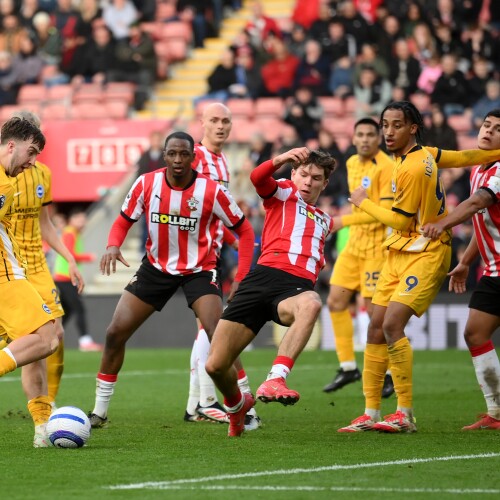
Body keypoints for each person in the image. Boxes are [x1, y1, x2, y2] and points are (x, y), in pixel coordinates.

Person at [338, 101, 500, 433]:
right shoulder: (426, 154)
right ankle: (370, 412)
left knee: (391, 324)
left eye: (396, 125)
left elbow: (400, 220)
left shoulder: (412, 167)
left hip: (426, 250)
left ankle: (404, 413)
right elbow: (464, 157)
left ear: (413, 128)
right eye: (385, 125)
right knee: (375, 326)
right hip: (399, 249)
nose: (388, 132)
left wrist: (363, 202)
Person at [88, 131, 255, 428]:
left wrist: (241, 275)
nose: (178, 159)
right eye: (172, 153)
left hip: (199, 270)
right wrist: (113, 245)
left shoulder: (211, 190)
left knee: (218, 336)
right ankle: (99, 413)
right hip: (156, 268)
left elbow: (244, 230)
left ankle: (239, 406)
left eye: (184, 154)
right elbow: (123, 220)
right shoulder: (146, 183)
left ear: (193, 157)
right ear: (164, 156)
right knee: (115, 332)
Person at [205, 147, 337, 437]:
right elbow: (257, 178)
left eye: (316, 178)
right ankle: (237, 406)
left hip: (294, 288)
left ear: (325, 183)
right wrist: (281, 159)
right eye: (304, 174)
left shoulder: (326, 220)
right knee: (215, 365)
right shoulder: (283, 194)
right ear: (293, 174)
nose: (308, 182)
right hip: (261, 279)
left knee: (312, 304)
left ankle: (276, 378)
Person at [7, 110, 84, 446]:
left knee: (55, 336)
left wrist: (69, 258)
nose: (35, 154)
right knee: (37, 340)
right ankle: (42, 419)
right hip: (11, 265)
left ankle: (47, 410)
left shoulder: (43, 175)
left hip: (37, 265)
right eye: (32, 145)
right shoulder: (7, 175)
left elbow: (45, 224)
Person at [421, 109, 500, 430]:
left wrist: (442, 224)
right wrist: (466, 261)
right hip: (494, 271)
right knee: (475, 333)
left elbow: (477, 204)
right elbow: (484, 221)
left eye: (497, 129)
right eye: (486, 125)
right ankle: (496, 413)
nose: (489, 131)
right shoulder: (478, 169)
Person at [187, 102, 261, 430]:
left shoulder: (222, 161)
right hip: (194, 254)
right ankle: (208, 401)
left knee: (207, 328)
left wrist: (231, 240)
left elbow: (216, 212)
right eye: (214, 120)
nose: (220, 126)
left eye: (225, 121)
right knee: (215, 327)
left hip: (214, 250)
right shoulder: (195, 156)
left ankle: (196, 404)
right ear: (202, 122)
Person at [323, 118, 394, 397]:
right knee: (335, 301)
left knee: (374, 313)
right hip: (353, 246)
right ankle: (348, 366)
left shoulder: (387, 167)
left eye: (370, 135)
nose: (364, 139)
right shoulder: (352, 162)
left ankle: (388, 373)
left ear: (379, 138)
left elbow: (381, 214)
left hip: (376, 248)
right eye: (360, 135)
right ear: (353, 139)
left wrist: (343, 221)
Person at [0, 117, 59, 446]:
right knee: (47, 338)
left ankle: (42, 426)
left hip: (15, 271)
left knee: (33, 344)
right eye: (31, 151)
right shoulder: (4, 185)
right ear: (12, 145)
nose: (32, 161)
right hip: (5, 276)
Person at [53, 208, 100, 352]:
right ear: (71, 220)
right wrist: (88, 257)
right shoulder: (70, 233)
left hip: (65, 277)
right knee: (79, 308)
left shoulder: (74, 233)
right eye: (79, 219)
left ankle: (52, 337)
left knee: (66, 310)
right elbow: (70, 254)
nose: (82, 222)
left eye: (83, 219)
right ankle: (85, 341)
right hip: (65, 277)